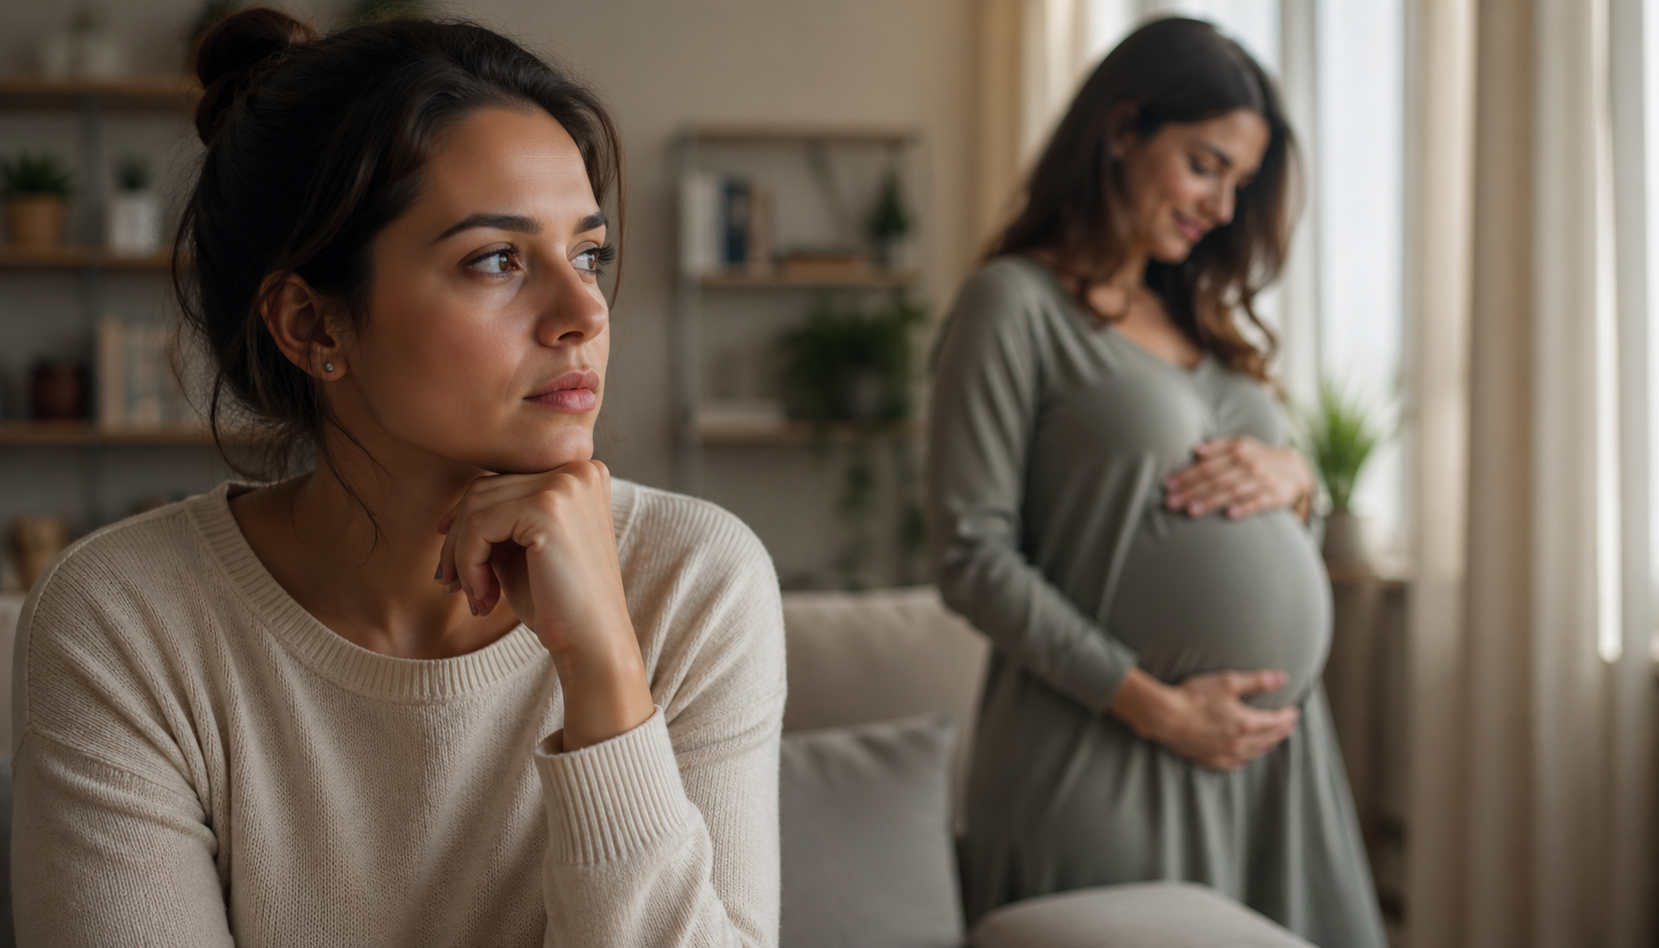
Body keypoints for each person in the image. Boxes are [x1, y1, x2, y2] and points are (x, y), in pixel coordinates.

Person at [10, 10, 784, 947]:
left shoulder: (694, 580)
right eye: (496, 259)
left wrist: (605, 676)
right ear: (312, 327)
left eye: (588, 253)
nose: (584, 309)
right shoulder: (124, 622)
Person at [928, 17, 1386, 947]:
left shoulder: (1206, 322)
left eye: (1240, 184)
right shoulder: (1011, 306)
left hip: (1273, 764)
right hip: (1106, 747)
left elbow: (1255, 488)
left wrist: (1295, 474)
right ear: (1122, 128)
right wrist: (1162, 709)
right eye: (1205, 164)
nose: (1222, 206)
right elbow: (970, 556)